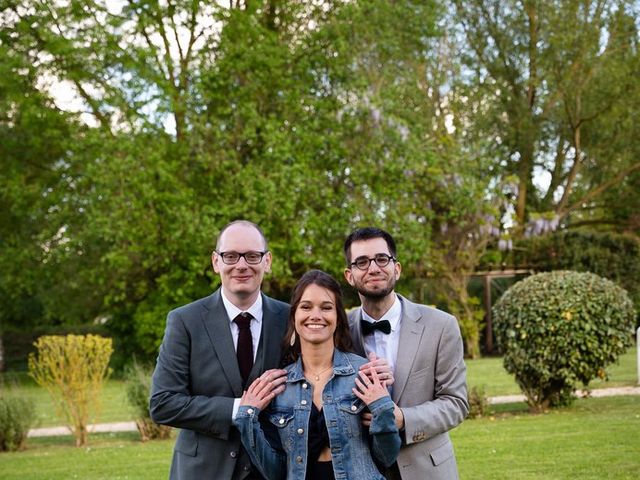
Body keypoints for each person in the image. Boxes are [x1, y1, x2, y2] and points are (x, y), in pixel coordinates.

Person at [150, 220, 290, 480]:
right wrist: (240, 409)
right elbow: (163, 403)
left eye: (252, 256)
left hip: (272, 471)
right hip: (203, 471)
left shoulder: (290, 319)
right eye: (231, 256)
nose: (241, 265)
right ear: (216, 262)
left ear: (267, 261)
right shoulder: (185, 321)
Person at [234, 270, 401, 480]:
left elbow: (386, 456)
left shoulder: (364, 374)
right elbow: (274, 473)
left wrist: (382, 407)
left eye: (326, 307)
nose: (315, 315)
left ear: (338, 317)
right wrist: (246, 418)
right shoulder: (279, 385)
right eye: (306, 307)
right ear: (294, 316)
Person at [343, 227, 469, 480]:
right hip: (361, 469)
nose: (373, 268)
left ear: (396, 268)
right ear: (349, 275)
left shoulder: (441, 326)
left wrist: (402, 418)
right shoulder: (338, 331)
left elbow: (456, 403)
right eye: (362, 262)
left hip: (428, 470)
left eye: (381, 259)